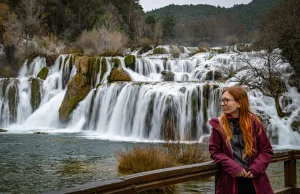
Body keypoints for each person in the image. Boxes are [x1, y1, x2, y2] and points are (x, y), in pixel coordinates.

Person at [208, 86, 274, 194]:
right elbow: (214, 151)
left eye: (226, 100)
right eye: (222, 100)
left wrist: (255, 169)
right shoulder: (218, 125)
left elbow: (266, 150)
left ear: (239, 103)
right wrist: (233, 167)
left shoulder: (254, 123)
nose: (222, 104)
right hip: (230, 183)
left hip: (256, 182)